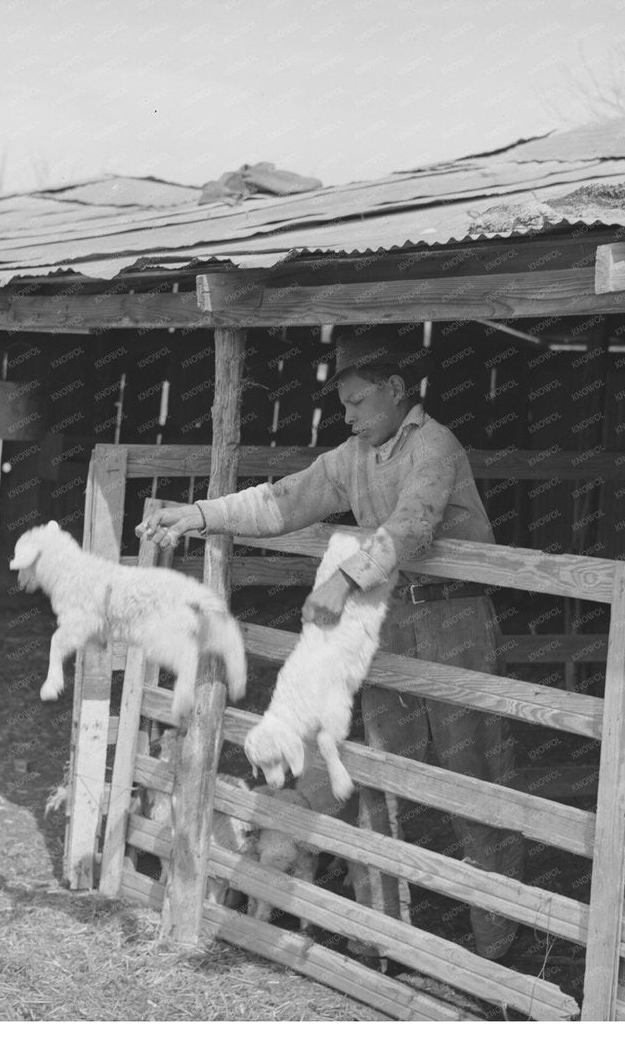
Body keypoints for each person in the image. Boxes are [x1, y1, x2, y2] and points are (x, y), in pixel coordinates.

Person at [137, 324, 525, 961]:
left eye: (357, 402)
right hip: (390, 618)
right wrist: (201, 513)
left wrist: (343, 581)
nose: (347, 417)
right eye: (343, 405)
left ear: (397, 390)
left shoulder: (435, 446)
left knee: (472, 766)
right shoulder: (353, 457)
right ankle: (379, 934)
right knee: (374, 765)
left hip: (454, 620)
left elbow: (414, 525)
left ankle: (498, 945)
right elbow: (284, 501)